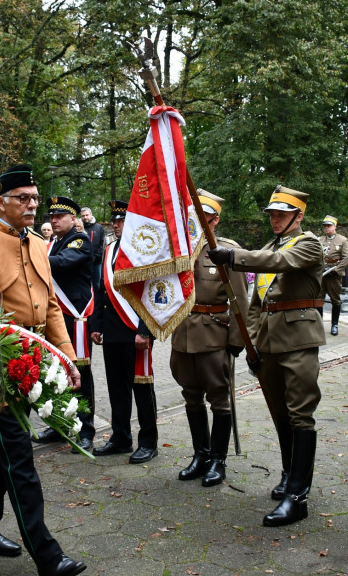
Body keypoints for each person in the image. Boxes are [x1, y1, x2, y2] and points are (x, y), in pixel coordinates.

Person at [0, 164, 87, 576]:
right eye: (23, 198)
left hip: (35, 360)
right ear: (0, 201)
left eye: (35, 198)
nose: (33, 205)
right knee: (20, 462)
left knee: (2, 458)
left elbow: (51, 306)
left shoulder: (37, 243)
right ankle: (47, 555)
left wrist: (67, 357)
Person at [209, 186, 326, 526]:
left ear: (298, 215)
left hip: (299, 340)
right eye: (272, 214)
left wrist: (233, 256)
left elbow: (281, 263)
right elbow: (259, 301)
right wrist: (253, 342)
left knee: (300, 414)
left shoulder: (308, 244)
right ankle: (290, 475)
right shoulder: (267, 248)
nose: (274, 219)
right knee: (280, 414)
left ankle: (298, 496)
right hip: (270, 344)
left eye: (281, 214)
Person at [164, 190, 247, 485]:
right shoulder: (177, 249)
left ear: (215, 220)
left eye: (204, 218)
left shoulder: (224, 251)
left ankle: (218, 460)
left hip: (214, 334)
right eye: (194, 217)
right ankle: (200, 455)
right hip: (183, 334)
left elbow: (240, 299)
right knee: (191, 397)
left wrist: (237, 340)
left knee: (219, 401)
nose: (197, 223)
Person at [90, 199, 160, 465]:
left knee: (142, 388)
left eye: (122, 221)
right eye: (115, 221)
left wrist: (145, 330)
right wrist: (96, 326)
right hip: (112, 332)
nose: (118, 225)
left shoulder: (144, 250)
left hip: (136, 333)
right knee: (117, 388)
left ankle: (148, 442)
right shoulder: (108, 251)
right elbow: (101, 290)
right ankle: (121, 437)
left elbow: (152, 293)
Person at [39, 195, 96, 452]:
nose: (54, 220)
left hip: (76, 316)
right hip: (55, 316)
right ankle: (60, 424)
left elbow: (62, 264)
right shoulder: (52, 243)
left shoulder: (79, 240)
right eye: (51, 216)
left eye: (59, 216)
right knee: (56, 372)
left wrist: (30, 255)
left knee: (80, 373)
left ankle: (86, 430)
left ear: (73, 219)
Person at [319, 215, 348, 337]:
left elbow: (346, 258)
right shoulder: (320, 240)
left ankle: (334, 325)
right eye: (325, 226)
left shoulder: (342, 240)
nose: (326, 228)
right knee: (319, 299)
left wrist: (337, 270)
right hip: (321, 273)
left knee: (335, 300)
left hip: (334, 274)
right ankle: (319, 325)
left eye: (329, 225)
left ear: (335, 226)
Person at [80, 206, 106, 290]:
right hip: (82, 262)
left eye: (87, 215)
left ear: (91, 215)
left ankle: (97, 302)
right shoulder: (79, 227)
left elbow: (102, 244)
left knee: (97, 284)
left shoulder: (99, 228)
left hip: (96, 263)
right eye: (83, 216)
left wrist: (95, 257)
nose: (85, 217)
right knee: (83, 283)